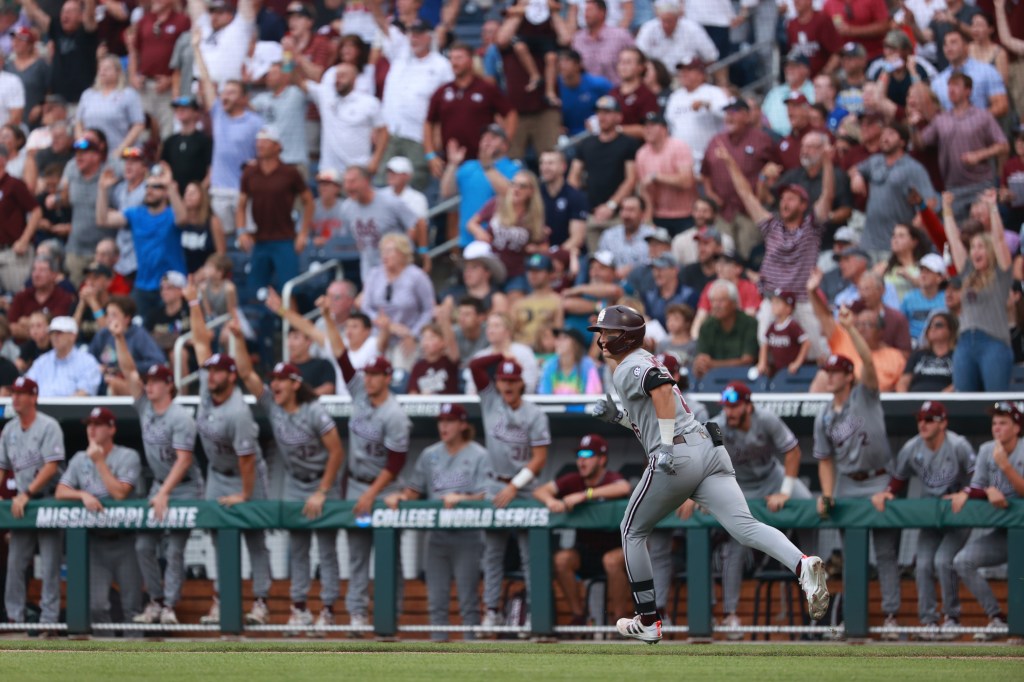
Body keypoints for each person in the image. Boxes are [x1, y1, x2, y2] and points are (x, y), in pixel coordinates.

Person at [588, 305, 829, 643]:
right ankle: (802, 565)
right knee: (745, 527)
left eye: (607, 333)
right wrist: (619, 418)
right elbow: (651, 413)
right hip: (709, 449)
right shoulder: (641, 360)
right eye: (601, 332)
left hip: (680, 453)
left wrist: (667, 449)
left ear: (625, 336)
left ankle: (648, 620)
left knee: (631, 531)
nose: (601, 339)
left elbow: (659, 389)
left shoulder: (628, 366)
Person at [228, 323, 345, 634]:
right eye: (274, 380)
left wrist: (322, 491)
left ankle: (329, 610)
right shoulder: (273, 407)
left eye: (281, 380)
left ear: (295, 383)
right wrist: (238, 339)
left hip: (322, 480)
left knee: (328, 548)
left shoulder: (314, 410)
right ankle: (299, 609)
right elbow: (246, 374)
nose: (275, 385)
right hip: (295, 481)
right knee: (298, 546)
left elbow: (336, 452)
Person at [694, 380, 813, 640]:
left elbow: (792, 451)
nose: (730, 412)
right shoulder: (717, 425)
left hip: (772, 477)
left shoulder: (766, 419)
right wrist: (701, 496)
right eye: (727, 407)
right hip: (739, 485)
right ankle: (731, 614)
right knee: (736, 541)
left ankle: (817, 583)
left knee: (811, 510)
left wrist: (786, 490)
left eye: (735, 406)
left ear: (749, 405)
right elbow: (698, 460)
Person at [185, 280, 272, 627]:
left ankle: (262, 602)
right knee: (216, 538)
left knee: (255, 538)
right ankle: (221, 600)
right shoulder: (208, 392)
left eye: (219, 370)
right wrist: (194, 302)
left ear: (231, 376)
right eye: (210, 370)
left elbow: (248, 460)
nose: (211, 374)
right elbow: (200, 342)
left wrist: (245, 496)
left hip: (245, 476)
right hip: (218, 475)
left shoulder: (238, 411)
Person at [322, 303, 412, 633]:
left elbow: (396, 461)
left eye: (376, 375)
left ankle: (393, 612)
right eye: (368, 374)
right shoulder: (359, 392)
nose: (369, 379)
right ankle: (358, 613)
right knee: (358, 552)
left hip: (384, 488)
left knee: (390, 553)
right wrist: (330, 319)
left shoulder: (395, 414)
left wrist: (372, 494)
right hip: (358, 483)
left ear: (388, 377)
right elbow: (341, 356)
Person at [812, 308, 901, 634]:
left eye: (836, 372)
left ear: (849, 375)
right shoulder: (823, 416)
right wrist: (826, 493)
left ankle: (891, 617)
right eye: (828, 371)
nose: (830, 376)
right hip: (848, 483)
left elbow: (868, 362)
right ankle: (854, 617)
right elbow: (824, 460)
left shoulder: (865, 393)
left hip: (879, 477)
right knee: (852, 555)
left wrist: (849, 330)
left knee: (886, 552)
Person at [109, 320, 202, 627]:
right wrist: (119, 337)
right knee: (144, 545)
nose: (149, 386)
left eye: (156, 382)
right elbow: (129, 371)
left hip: (185, 487)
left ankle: (170, 606)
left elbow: (185, 460)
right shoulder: (146, 408)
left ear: (169, 385)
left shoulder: (180, 416)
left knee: (174, 549)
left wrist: (164, 493)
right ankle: (156, 600)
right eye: (149, 382)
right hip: (160, 485)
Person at [384, 402, 490, 641]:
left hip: (468, 535)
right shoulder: (430, 454)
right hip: (437, 535)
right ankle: (438, 647)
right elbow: (414, 490)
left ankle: (473, 649)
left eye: (450, 421)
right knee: (437, 599)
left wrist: (463, 498)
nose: (444, 426)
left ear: (463, 424)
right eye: (441, 421)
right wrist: (401, 497)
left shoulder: (479, 454)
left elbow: (486, 495)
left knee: (468, 599)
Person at [872, 400, 975, 640]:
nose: (923, 424)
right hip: (930, 517)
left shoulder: (958, 445)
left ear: (943, 423)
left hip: (958, 516)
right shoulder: (911, 447)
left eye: (929, 419)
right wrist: (889, 492)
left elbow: (978, 475)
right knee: (923, 565)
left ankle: (952, 618)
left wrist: (966, 493)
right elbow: (899, 477)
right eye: (920, 419)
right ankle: (929, 621)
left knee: (942, 561)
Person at [467, 354, 550, 629]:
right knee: (492, 552)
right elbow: (475, 366)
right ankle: (491, 610)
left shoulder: (534, 414)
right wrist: (501, 356)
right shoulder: (491, 401)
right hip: (494, 483)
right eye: (503, 379)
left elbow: (539, 459)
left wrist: (515, 485)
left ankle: (532, 614)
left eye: (513, 380)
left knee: (530, 554)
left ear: (521, 383)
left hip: (523, 488)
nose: (507, 385)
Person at [55, 406, 143, 624]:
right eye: (89, 425)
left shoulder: (127, 456)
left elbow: (120, 493)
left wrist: (99, 462)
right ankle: (106, 655)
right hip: (95, 541)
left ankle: (139, 655)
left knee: (133, 607)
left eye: (98, 425)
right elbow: (60, 492)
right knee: (96, 606)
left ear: (111, 429)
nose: (92, 430)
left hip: (125, 540)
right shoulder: (79, 458)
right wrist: (82, 494)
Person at [534, 434, 632, 625]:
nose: (581, 460)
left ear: (602, 459)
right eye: (579, 455)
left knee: (611, 561)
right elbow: (540, 491)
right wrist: (551, 501)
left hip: (615, 547)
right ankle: (579, 616)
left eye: (588, 455)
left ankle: (619, 620)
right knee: (562, 560)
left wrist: (585, 495)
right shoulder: (572, 480)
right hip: (586, 550)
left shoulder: (610, 478)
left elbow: (623, 487)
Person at [949, 401, 1024, 642]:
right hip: (1005, 533)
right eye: (994, 423)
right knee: (963, 561)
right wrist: (978, 491)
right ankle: (997, 618)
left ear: (1017, 427)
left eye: (1003, 423)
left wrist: (1005, 466)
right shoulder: (986, 449)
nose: (997, 428)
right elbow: (977, 486)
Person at [0, 376, 64, 629]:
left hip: (46, 499)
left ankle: (49, 621)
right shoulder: (9, 430)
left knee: (49, 565)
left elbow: (51, 466)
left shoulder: (49, 426)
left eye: (22, 393)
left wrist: (26, 492)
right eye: (14, 393)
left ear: (34, 397)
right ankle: (14, 617)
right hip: (22, 505)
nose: (15, 397)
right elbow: (2, 467)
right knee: (15, 563)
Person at [96, 164, 187, 322]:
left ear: (165, 192)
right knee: (135, 329)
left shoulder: (172, 214)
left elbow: (183, 219)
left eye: (157, 187)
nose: (150, 190)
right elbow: (103, 220)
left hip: (171, 286)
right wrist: (102, 190)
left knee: (169, 334)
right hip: (143, 286)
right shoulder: (136, 214)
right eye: (148, 186)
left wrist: (170, 187)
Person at [942, 190, 1014, 391]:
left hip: (994, 342)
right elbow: (954, 240)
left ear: (990, 251)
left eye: (981, 247)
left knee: (996, 402)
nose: (976, 251)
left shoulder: (1001, 274)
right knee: (964, 403)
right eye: (973, 247)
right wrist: (947, 209)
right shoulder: (967, 273)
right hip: (964, 342)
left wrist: (992, 208)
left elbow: (999, 240)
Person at [75, 54, 146, 157]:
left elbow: (138, 124)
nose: (102, 72)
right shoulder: (88, 94)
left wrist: (121, 150)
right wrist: (82, 146)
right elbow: (78, 122)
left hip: (119, 151)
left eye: (107, 69)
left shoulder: (128, 94)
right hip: (91, 153)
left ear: (118, 72)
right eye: (100, 68)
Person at [692, 281, 759, 379]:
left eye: (721, 301)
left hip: (743, 378)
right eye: (713, 301)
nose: (716, 305)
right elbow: (702, 358)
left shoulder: (749, 323)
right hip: (713, 378)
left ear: (734, 303)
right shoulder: (707, 326)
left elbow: (747, 361)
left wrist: (713, 364)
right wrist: (700, 364)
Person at [26, 316, 102, 397]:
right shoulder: (41, 361)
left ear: (73, 336)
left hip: (71, 408)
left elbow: (84, 393)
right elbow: (27, 386)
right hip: (39, 407)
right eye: (52, 333)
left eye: (59, 333)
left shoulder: (87, 362)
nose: (54, 337)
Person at [0, 144, 40, 296]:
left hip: (14, 253)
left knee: (18, 296)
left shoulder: (14, 184)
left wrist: (24, 240)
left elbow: (36, 211)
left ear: (2, 160)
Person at [897, 312, 957, 393]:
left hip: (946, 401)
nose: (933, 328)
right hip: (915, 400)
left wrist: (943, 396)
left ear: (950, 330)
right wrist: (903, 398)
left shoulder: (957, 356)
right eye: (930, 326)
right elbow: (904, 381)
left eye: (938, 325)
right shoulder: (917, 354)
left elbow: (961, 382)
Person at [538, 327, 602, 395]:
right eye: (558, 338)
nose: (558, 342)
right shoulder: (549, 365)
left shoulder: (588, 366)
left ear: (575, 344)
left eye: (564, 338)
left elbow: (593, 396)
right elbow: (544, 395)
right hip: (554, 406)